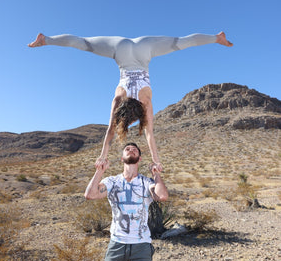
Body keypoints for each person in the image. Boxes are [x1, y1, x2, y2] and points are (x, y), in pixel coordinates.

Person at [28, 31, 233, 170]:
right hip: (121, 50)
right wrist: (102, 156)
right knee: (84, 44)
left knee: (179, 43)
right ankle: (46, 39)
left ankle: (217, 38)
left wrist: (156, 161)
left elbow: (150, 135)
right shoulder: (119, 98)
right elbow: (109, 131)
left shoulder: (146, 101)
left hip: (144, 50)